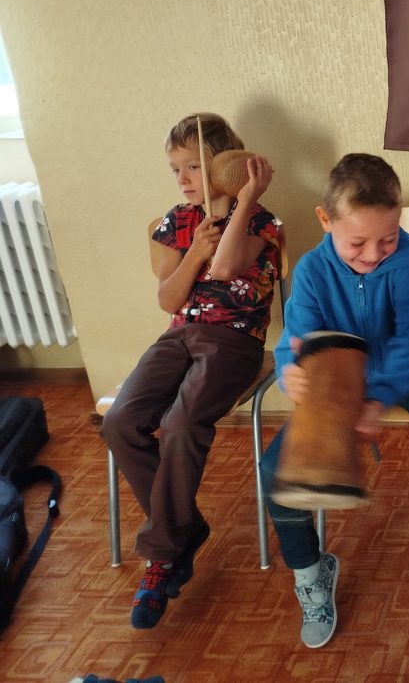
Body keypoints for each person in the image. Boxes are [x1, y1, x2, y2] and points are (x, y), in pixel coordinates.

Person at [258, 153, 409, 649]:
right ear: (325, 220)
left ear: (398, 221)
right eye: (357, 243)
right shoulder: (311, 271)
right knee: (273, 473)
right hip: (338, 377)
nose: (373, 254)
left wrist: (379, 396)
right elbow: (297, 338)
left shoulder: (407, 265)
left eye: (387, 238)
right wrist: (291, 372)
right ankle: (311, 574)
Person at [100, 113, 278, 629]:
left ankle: (161, 556)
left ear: (224, 165)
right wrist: (193, 249)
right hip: (178, 335)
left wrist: (244, 200)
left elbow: (226, 268)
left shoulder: (261, 221)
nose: (182, 178)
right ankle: (185, 528)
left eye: (193, 166)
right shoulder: (175, 223)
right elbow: (168, 300)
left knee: (181, 424)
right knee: (120, 422)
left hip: (234, 342)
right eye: (175, 168)